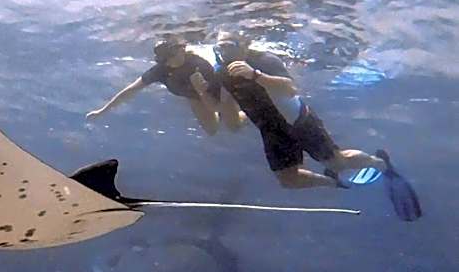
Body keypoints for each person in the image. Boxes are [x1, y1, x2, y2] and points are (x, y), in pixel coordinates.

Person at [213, 31, 388, 189]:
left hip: (298, 120)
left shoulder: (265, 60)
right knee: (288, 180)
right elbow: (233, 122)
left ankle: (379, 163)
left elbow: (290, 89)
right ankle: (333, 182)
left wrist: (255, 75)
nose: (223, 52)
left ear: (244, 44)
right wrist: (232, 114)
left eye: (229, 46)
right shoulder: (223, 75)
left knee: (336, 162)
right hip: (272, 130)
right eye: (219, 48)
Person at [86, 38, 245, 135]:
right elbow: (131, 90)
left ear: (181, 51)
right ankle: (231, 114)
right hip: (195, 95)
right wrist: (103, 111)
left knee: (234, 127)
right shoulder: (161, 70)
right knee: (211, 131)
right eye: (164, 59)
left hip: (218, 93)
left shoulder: (199, 66)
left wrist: (203, 92)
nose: (169, 62)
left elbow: (214, 104)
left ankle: (243, 113)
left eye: (171, 57)